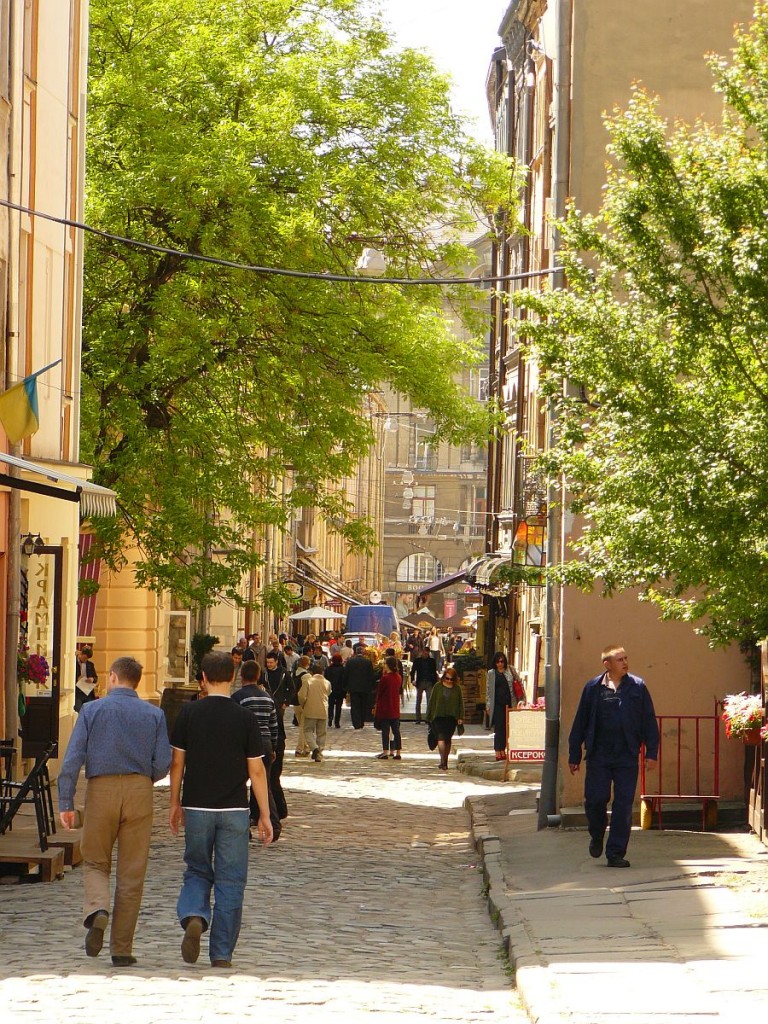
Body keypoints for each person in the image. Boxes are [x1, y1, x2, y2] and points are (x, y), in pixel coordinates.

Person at [58, 656, 171, 967]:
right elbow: (163, 761)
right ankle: (121, 948)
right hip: (139, 791)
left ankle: (98, 909)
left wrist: (66, 803)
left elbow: (72, 759)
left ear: (111, 678)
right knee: (132, 872)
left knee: (95, 860)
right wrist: (145, 778)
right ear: (136, 681)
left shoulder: (92, 710)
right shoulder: (154, 714)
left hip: (101, 790)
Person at [169, 651, 273, 968]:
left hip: (197, 806)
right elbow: (256, 770)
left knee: (197, 870)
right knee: (231, 880)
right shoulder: (245, 718)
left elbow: (177, 763)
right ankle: (222, 953)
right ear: (232, 677)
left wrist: (174, 802)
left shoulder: (189, 714)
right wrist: (265, 814)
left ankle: (195, 915)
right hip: (234, 810)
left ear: (202, 678)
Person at [568, 644, 659, 869]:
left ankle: (616, 852)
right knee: (595, 800)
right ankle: (597, 834)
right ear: (607, 664)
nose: (625, 663)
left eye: (626, 658)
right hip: (599, 754)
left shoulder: (637, 686)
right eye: (620, 660)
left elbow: (649, 719)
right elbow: (580, 721)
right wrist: (574, 754)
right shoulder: (593, 688)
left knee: (623, 805)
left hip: (627, 754)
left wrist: (652, 752)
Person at [230, 661, 282, 842]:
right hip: (265, 743)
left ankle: (244, 827)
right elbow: (273, 725)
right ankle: (274, 825)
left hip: (245, 745)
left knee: (239, 786)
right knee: (264, 785)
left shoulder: (238, 697)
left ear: (242, 676)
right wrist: (273, 747)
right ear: (258, 676)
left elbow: (234, 725)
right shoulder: (267, 697)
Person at [486, 652, 525, 761]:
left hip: (510, 702)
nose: (500, 664)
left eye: (502, 661)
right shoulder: (491, 673)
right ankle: (499, 751)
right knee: (499, 728)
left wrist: (522, 699)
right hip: (497, 704)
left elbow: (519, 683)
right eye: (498, 662)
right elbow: (489, 690)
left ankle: (506, 750)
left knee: (508, 727)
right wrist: (488, 705)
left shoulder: (510, 670)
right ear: (495, 663)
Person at [426, 666, 464, 771]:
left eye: (451, 679)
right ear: (444, 677)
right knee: (441, 738)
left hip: (451, 718)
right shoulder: (438, 687)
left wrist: (460, 717)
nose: (449, 681)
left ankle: (445, 761)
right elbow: (432, 701)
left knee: (447, 739)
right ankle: (443, 762)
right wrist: (428, 716)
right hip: (438, 717)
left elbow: (460, 703)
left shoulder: (457, 689)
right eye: (447, 678)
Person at [374, 656, 403, 760]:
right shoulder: (398, 677)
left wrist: (376, 705)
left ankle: (385, 751)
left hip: (385, 708)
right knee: (396, 731)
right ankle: (398, 752)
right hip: (395, 707)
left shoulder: (385, 678)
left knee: (385, 731)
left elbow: (380, 693)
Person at [298, 671, 330, 762]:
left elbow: (301, 696)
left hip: (310, 709)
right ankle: (319, 753)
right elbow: (328, 693)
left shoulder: (308, 681)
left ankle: (314, 748)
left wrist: (303, 705)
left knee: (307, 730)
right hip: (323, 710)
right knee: (321, 733)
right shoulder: (327, 682)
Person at [342, 644, 376, 729]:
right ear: (363, 652)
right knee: (363, 704)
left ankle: (356, 723)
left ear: (355, 653)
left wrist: (346, 686)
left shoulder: (350, 662)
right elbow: (371, 675)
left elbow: (346, 675)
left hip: (353, 687)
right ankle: (361, 721)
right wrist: (372, 686)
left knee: (355, 705)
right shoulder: (367, 662)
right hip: (364, 687)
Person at [291, 655, 312, 755]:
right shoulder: (306, 676)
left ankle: (306, 747)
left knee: (302, 725)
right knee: (304, 727)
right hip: (303, 703)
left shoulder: (294, 674)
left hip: (295, 703)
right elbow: (305, 692)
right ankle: (299, 749)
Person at [411, 645, 437, 724]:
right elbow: (413, 671)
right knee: (418, 700)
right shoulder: (417, 660)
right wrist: (413, 680)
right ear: (422, 652)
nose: (425, 654)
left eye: (427, 652)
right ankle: (418, 718)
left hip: (429, 682)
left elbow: (434, 672)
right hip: (420, 682)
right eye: (424, 652)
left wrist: (434, 682)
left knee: (429, 700)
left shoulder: (432, 661)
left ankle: (428, 718)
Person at [74, 646, 99, 712]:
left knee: (90, 711)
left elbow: (96, 677)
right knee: (78, 710)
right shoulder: (74, 663)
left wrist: (92, 679)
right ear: (81, 654)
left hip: (88, 693)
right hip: (78, 693)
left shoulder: (90, 665)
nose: (85, 660)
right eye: (84, 658)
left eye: (87, 659)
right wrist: (77, 679)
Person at [325, 653, 346, 729]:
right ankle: (337, 722)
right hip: (340, 690)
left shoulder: (328, 669)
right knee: (338, 706)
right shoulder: (343, 669)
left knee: (330, 705)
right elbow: (344, 680)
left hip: (330, 690)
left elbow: (325, 679)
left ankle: (330, 718)